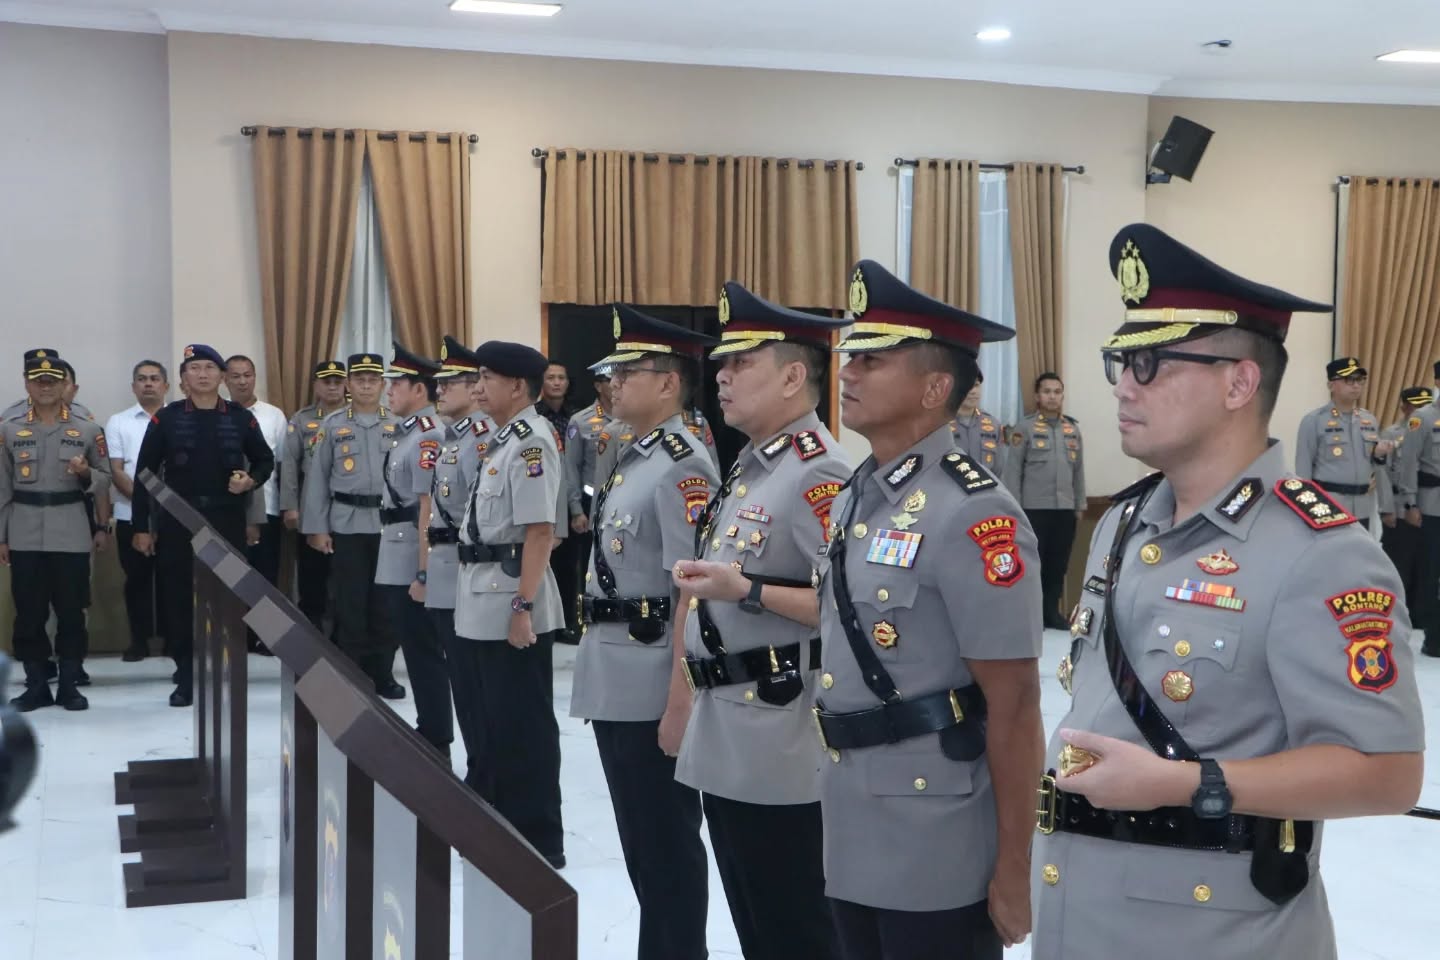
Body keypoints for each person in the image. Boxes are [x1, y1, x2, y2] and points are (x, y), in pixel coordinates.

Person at [1032, 224, 1424, 960]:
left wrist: (1187, 783)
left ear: (1239, 382)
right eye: (1120, 360)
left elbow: (1388, 773)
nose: (1123, 384)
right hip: (1081, 909)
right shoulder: (1124, 520)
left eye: (1149, 362)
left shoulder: (1321, 552)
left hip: (1211, 933)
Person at [815, 261, 1043, 959]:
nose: (848, 373)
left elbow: (1015, 704)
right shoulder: (859, 493)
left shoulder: (975, 514)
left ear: (935, 387)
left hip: (936, 833)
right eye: (850, 357)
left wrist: (1013, 866)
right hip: (853, 812)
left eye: (873, 361)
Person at [669, 282, 851, 959]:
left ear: (794, 376)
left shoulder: (818, 472)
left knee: (794, 924)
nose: (721, 375)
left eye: (742, 362)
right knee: (754, 918)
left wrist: (744, 588)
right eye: (723, 362)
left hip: (778, 730)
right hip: (729, 726)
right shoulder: (754, 466)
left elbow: (846, 608)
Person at [568, 305, 718, 959]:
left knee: (664, 842)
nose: (613, 385)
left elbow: (692, 590)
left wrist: (680, 698)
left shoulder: (684, 465)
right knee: (643, 842)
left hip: (652, 676)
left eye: (627, 373)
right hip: (618, 669)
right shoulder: (635, 456)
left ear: (666, 383)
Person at [452, 340, 567, 868]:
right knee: (487, 721)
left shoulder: (531, 443)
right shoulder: (504, 439)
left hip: (509, 603)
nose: (477, 387)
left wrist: (524, 607)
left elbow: (540, 532)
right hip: (481, 597)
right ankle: (496, 821)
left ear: (517, 386)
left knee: (522, 725)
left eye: (487, 378)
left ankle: (537, 838)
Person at [131, 344, 274, 707]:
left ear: (222, 377)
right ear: (182, 380)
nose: (203, 374)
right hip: (179, 521)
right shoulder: (168, 417)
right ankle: (185, 672)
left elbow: (264, 460)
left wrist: (250, 481)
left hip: (227, 519)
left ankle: (224, 669)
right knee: (179, 598)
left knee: (228, 597)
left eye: (210, 367)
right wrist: (142, 527)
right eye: (195, 368)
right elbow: (144, 475)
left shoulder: (241, 417)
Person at [1, 355, 112, 712]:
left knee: (70, 611)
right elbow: (1, 487)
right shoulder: (7, 429)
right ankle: (36, 685)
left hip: (70, 530)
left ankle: (69, 685)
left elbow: (105, 478)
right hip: (24, 529)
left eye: (53, 379)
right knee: (28, 613)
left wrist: (84, 475)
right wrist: (2, 536)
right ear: (27, 383)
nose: (45, 386)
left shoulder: (89, 430)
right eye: (38, 379)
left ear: (66, 384)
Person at [301, 352, 404, 698]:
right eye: (358, 379)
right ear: (348, 384)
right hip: (346, 524)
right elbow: (316, 481)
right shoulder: (331, 426)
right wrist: (317, 528)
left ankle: (383, 673)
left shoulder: (398, 424)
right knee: (349, 603)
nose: (365, 385)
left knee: (386, 603)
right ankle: (354, 673)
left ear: (383, 385)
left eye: (372, 379)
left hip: (389, 527)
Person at [422, 337, 489, 792]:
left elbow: (482, 518)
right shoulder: (454, 436)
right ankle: (477, 770)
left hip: (470, 572)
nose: (439, 391)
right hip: (449, 569)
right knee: (462, 683)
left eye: (450, 383)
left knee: (474, 686)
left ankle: (484, 774)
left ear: (474, 387)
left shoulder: (479, 439)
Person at [378, 342, 452, 752]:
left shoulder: (429, 437)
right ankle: (431, 726)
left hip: (411, 553)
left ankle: (436, 734)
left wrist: (424, 571)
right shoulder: (407, 433)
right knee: (413, 648)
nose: (389, 391)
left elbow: (428, 508)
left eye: (396, 384)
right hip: (396, 548)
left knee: (423, 652)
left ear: (419, 390)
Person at [1003, 373, 1086, 630]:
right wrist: (1014, 508)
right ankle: (1031, 616)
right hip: (1032, 509)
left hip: (1064, 509)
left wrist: (1080, 504)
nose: (1052, 396)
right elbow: (1013, 471)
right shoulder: (1024, 429)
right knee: (1031, 565)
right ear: (1038, 396)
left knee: (1057, 564)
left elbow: (1078, 470)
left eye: (1057, 391)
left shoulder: (1072, 429)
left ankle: (1051, 612)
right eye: (1047, 391)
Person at [106, 360, 170, 662]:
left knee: (173, 580)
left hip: (174, 515)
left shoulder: (178, 419)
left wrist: (166, 506)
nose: (148, 384)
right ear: (133, 387)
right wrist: (146, 503)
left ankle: (174, 640)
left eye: (154, 378)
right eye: (142, 379)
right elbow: (116, 470)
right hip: (129, 513)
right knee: (137, 581)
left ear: (165, 386)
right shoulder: (118, 422)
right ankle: (139, 641)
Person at [225, 354, 289, 654]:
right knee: (231, 576)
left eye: (247, 375)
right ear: (225, 379)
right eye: (235, 375)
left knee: (265, 576)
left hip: (269, 510)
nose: (241, 381)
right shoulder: (219, 413)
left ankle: (265, 637)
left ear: (254, 378)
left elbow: (284, 465)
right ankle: (235, 636)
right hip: (230, 510)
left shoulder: (273, 415)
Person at [280, 360, 348, 627]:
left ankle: (344, 638)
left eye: (337, 382)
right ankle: (313, 634)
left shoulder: (357, 416)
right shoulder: (302, 419)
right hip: (310, 509)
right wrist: (290, 506)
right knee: (312, 577)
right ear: (315, 386)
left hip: (347, 508)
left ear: (346, 384)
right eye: (326, 382)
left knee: (345, 577)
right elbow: (289, 466)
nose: (332, 387)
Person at [1294, 358, 1391, 529]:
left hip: (1362, 507)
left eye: (1359, 380)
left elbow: (1374, 465)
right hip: (1328, 506)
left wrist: (1379, 456)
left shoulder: (1368, 420)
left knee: (1357, 555)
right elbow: (1303, 471)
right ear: (1331, 385)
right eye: (1349, 380)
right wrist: (1306, 510)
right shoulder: (1314, 421)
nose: (1356, 385)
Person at [561, 371, 614, 641]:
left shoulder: (634, 415)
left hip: (623, 505)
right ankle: (583, 621)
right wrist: (575, 509)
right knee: (585, 568)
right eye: (607, 380)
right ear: (597, 385)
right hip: (589, 503)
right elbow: (571, 467)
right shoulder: (580, 421)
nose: (613, 384)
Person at [537, 362, 584, 643]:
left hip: (569, 498)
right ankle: (545, 622)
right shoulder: (536, 416)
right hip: (542, 494)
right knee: (544, 563)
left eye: (561, 377)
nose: (556, 382)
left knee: (569, 566)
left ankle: (566, 622)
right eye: (550, 378)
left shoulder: (577, 416)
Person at [1398, 368, 1440, 658]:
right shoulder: (1421, 418)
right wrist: (1410, 504)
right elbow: (1408, 464)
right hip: (1432, 505)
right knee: (1431, 573)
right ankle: (1434, 635)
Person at [1380, 386, 1431, 623]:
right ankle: (1396, 614)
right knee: (1399, 565)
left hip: (1428, 508)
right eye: (1415, 405)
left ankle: (1421, 614)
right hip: (1400, 509)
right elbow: (1384, 474)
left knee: (1425, 565)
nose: (1419, 410)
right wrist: (1387, 509)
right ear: (1403, 407)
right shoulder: (1392, 433)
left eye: (1424, 405)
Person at [2, 350, 94, 422]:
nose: (46, 387)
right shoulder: (12, 416)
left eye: (53, 381)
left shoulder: (82, 416)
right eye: (38, 380)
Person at [950, 370, 1006, 473]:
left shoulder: (993, 425)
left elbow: (1000, 470)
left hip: (986, 487)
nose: (973, 391)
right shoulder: (941, 424)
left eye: (976, 385)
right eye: (967, 385)